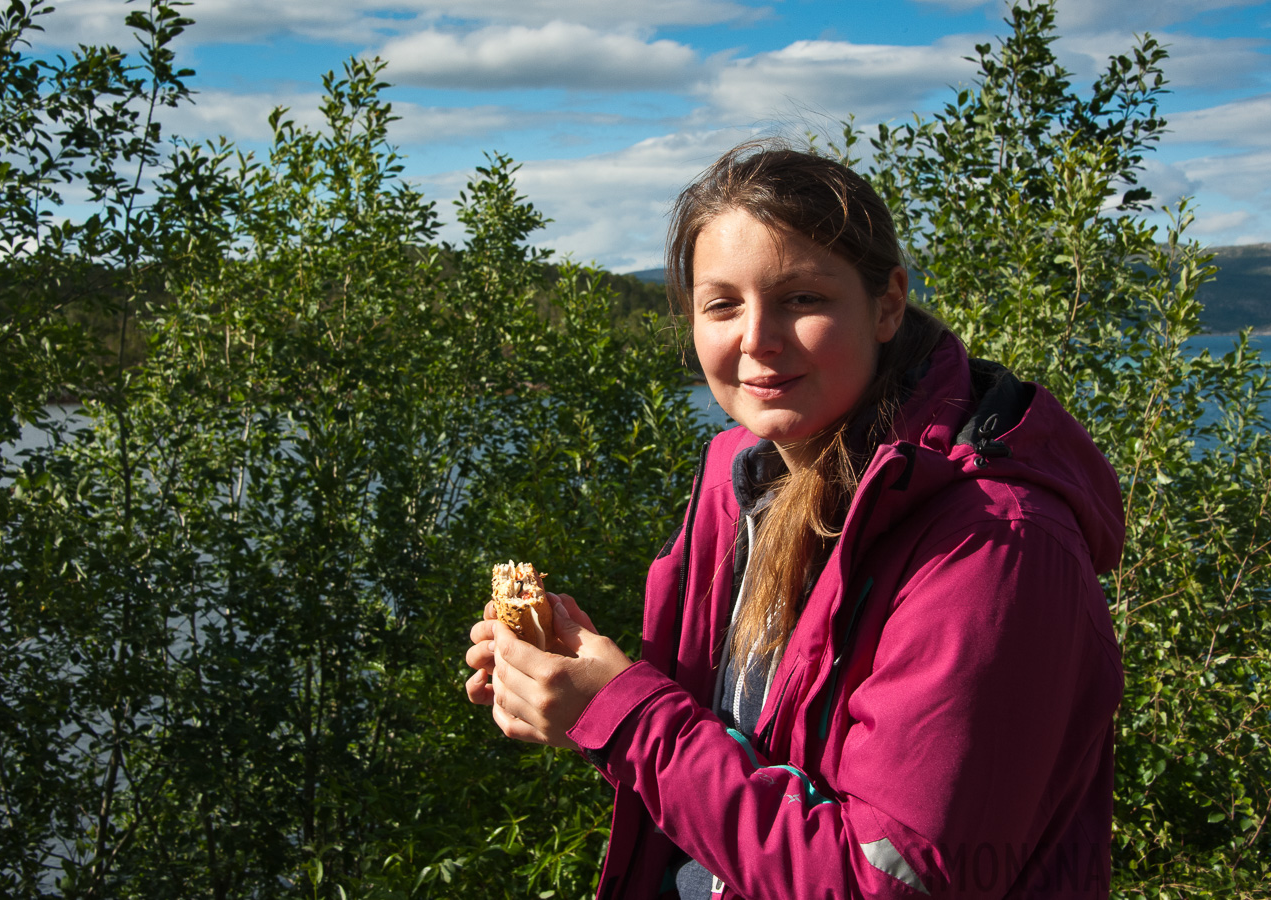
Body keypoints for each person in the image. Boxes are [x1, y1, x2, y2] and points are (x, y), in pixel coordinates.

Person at [465, 143, 1124, 899]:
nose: (756, 339)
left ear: (885, 304)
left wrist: (621, 717)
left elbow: (882, 882)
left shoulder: (995, 543)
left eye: (801, 299)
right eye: (722, 305)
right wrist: (577, 690)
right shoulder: (744, 477)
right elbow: (742, 760)